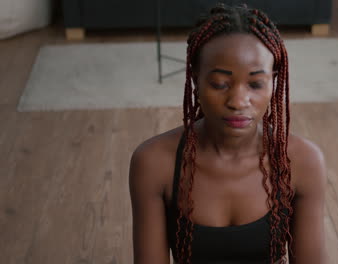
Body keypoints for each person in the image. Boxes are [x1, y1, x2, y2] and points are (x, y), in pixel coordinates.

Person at [129, 3, 326, 264]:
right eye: (220, 84)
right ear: (196, 80)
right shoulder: (153, 162)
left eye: (255, 84)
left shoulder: (303, 161)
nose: (238, 100)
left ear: (273, 82)